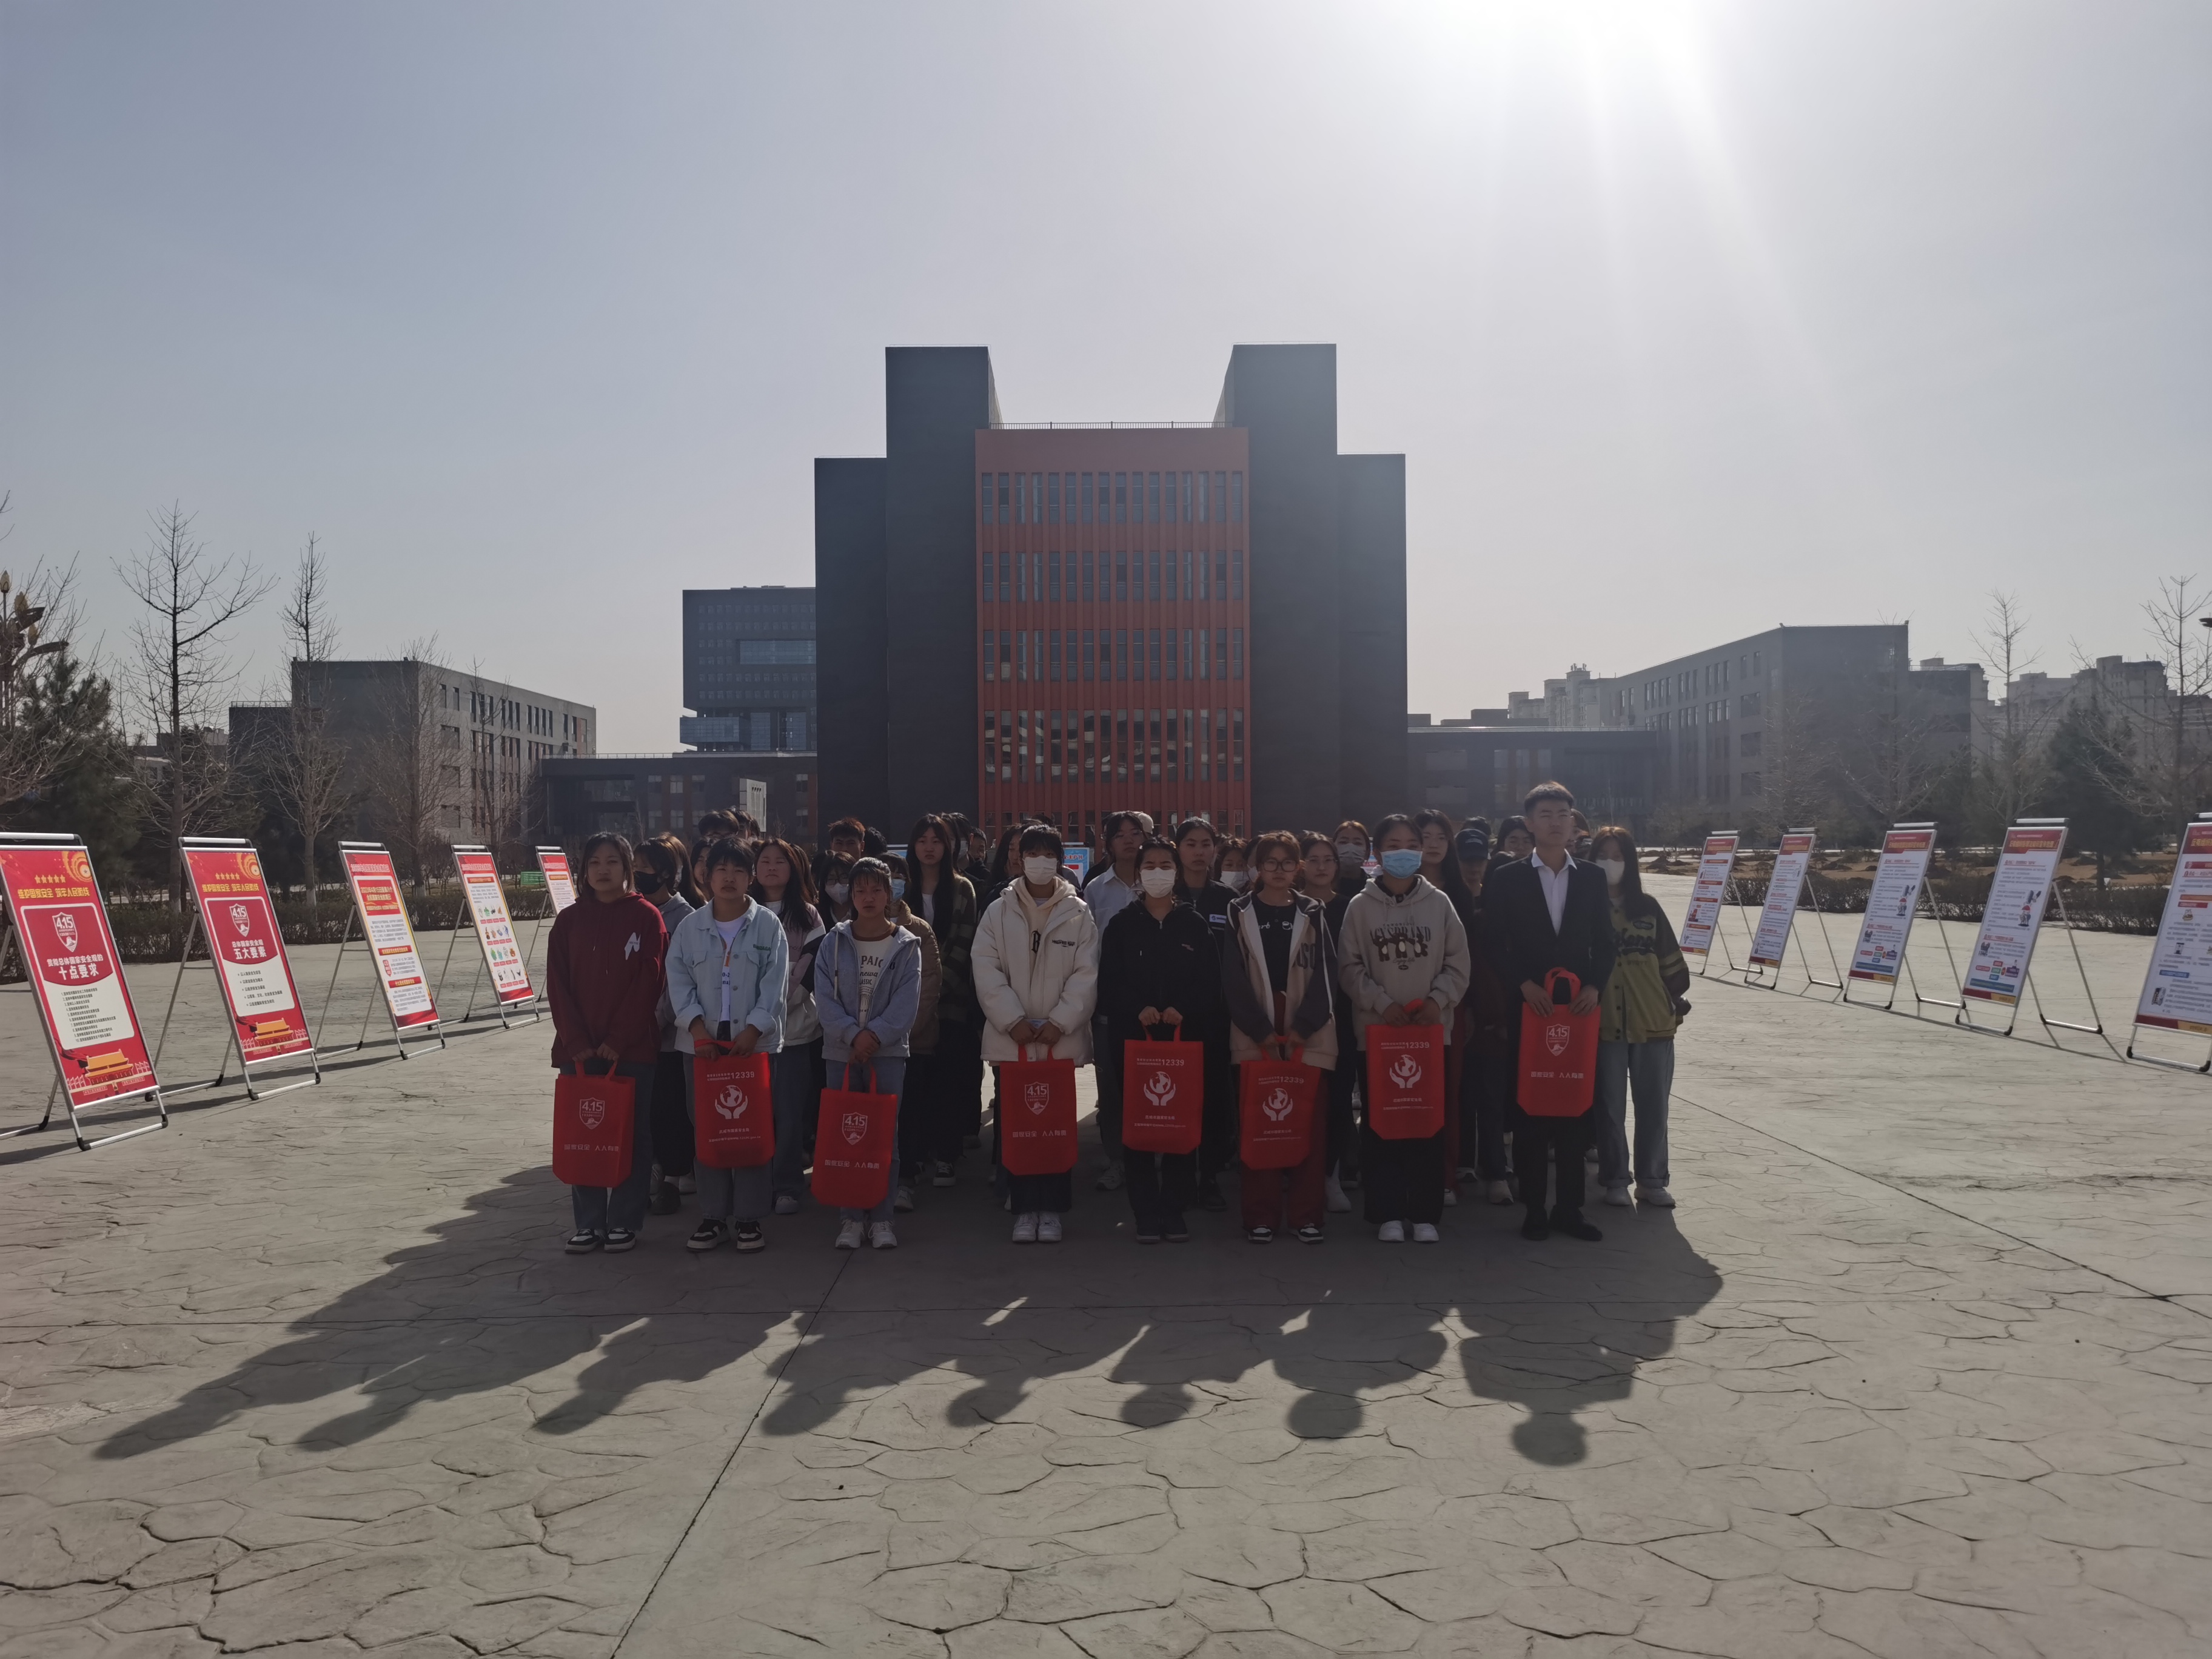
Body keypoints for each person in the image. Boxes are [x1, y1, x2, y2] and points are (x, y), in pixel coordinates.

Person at [1482, 782, 1618, 1243]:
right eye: (1546, 814)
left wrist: (1595, 986)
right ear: (1530, 823)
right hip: (1531, 1009)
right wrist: (1523, 985)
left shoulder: (1592, 878)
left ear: (1574, 823)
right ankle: (1536, 1209)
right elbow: (1493, 942)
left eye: (1563, 814)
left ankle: (1569, 1209)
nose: (1556, 822)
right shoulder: (1509, 878)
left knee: (1576, 1108)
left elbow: (1606, 942)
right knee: (1532, 1109)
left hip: (1578, 1011)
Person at [1338, 814, 1470, 1243]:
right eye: (1393, 845)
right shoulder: (1360, 907)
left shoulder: (1440, 903)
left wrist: (1437, 1001)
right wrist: (1382, 1004)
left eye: (1411, 844)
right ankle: (1388, 1212)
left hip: (1430, 1034)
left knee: (1427, 1123)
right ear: (1378, 854)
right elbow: (1349, 967)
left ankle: (1425, 1212)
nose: (1404, 852)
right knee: (1382, 1125)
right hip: (1378, 1035)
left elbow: (1458, 963)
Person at [971, 822, 1099, 1243]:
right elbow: (986, 968)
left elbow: (1086, 974)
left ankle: (1053, 1209)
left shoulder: (1078, 912)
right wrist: (1013, 1020)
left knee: (1056, 1128)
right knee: (1019, 1128)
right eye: (1032, 854)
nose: (1040, 862)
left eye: (1048, 854)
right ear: (1019, 859)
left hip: (1058, 1042)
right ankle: (1025, 1209)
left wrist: (1060, 1022)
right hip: (1014, 1041)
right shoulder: (998, 911)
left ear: (1060, 860)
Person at [663, 837, 790, 1253]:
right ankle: (714, 1216)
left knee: (751, 1129)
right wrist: (697, 1030)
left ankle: (750, 1217)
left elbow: (775, 984)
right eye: (721, 869)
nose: (729, 877)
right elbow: (678, 982)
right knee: (709, 1129)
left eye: (739, 870)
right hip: (702, 1048)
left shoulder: (768, 926)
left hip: (752, 1046)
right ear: (706, 875)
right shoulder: (690, 927)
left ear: (751, 877)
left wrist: (754, 1030)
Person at [546, 833, 668, 1255]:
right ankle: (589, 1223)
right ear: (583, 871)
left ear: (628, 868)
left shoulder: (647, 917)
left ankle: (624, 1221)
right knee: (583, 1135)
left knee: (631, 1136)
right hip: (578, 1051)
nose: (603, 869)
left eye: (613, 861)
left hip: (631, 1050)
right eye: (594, 862)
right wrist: (575, 1039)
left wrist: (619, 1039)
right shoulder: (568, 921)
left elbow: (650, 981)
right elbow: (557, 985)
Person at [1098, 837, 1219, 1243]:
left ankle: (1174, 1208)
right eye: (1149, 865)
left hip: (1185, 1039)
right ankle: (1146, 1211)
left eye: (1165, 865)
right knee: (1140, 1125)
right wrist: (1138, 1008)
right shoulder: (1122, 925)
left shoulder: (1194, 924)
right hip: (1135, 1041)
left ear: (1177, 872)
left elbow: (1210, 982)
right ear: (1139, 873)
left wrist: (1185, 1008)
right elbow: (1109, 982)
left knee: (1180, 1124)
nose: (1157, 872)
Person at [1224, 831, 1341, 1244]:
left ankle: (1307, 1215)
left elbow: (1327, 974)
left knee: (1308, 1128)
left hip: (1306, 1038)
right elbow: (1232, 977)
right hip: (1256, 1036)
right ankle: (1261, 1215)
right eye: (1270, 862)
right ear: (1258, 867)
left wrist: (1303, 1028)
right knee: (1260, 1128)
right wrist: (1260, 1031)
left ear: (1298, 868)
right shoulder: (1239, 910)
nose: (1278, 870)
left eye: (1287, 863)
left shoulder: (1313, 911)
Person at [811, 857, 923, 1250]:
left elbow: (907, 1004)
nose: (869, 897)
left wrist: (873, 1036)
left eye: (877, 889)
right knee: (844, 1137)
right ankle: (850, 1218)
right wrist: (850, 1035)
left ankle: (882, 1217)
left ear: (890, 893)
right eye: (861, 890)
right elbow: (824, 998)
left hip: (887, 1054)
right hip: (840, 1053)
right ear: (852, 896)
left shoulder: (907, 945)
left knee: (883, 1138)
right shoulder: (834, 941)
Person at [1590, 826, 1687, 1210]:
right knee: (1609, 1107)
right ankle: (1615, 1178)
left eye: (1618, 856)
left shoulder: (1649, 908)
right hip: (1603, 1024)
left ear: (1630, 862)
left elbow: (1673, 968)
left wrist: (1671, 1001)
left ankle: (1652, 1181)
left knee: (1653, 1106)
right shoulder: (1584, 906)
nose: (1610, 863)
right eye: (1602, 856)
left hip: (1653, 1022)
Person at [907, 814, 981, 1189]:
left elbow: (964, 944)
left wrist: (933, 993)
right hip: (907, 1005)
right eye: (922, 840)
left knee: (948, 1082)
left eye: (937, 840)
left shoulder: (962, 888)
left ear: (949, 846)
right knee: (915, 1084)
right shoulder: (902, 887)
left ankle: (947, 1157)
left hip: (950, 1003)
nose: (929, 847)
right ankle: (917, 1153)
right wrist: (914, 997)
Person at [752, 837, 826, 1215]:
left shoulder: (809, 916)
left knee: (790, 1113)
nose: (771, 867)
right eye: (764, 860)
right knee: (754, 1113)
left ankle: (787, 1184)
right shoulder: (741, 911)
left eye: (780, 861)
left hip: (793, 1032)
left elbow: (807, 972)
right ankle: (755, 1182)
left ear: (793, 869)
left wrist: (770, 1007)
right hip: (746, 1036)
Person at [1171, 817, 1240, 1211]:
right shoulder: (1166, 895)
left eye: (1206, 844)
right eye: (1191, 844)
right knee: (1177, 1099)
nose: (1199, 852)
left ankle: (1210, 1175)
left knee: (1214, 1100)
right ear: (1178, 849)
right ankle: (1180, 1176)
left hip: (1217, 1019)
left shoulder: (1228, 900)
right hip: (1173, 1019)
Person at [1082, 810, 1148, 1191]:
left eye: (1135, 833)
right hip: (1109, 1000)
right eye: (1120, 834)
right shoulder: (1095, 889)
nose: (1128, 840)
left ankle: (1153, 1152)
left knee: (1151, 1079)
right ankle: (1116, 1160)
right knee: (1111, 1085)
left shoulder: (1158, 880)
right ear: (1108, 843)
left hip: (1153, 1000)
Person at [635, 836, 697, 1218]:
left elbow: (681, 980)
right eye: (635, 867)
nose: (638, 874)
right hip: (634, 1036)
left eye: (645, 868)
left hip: (670, 1036)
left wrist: (654, 1023)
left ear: (666, 872)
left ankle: (673, 1180)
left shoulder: (686, 918)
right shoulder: (634, 912)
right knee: (644, 1113)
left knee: (672, 1112)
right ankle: (646, 1176)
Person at [883, 854, 943, 1216]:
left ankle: (905, 1180)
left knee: (908, 1115)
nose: (891, 882)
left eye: (898, 875)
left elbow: (930, 983)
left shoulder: (919, 929)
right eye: (884, 875)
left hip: (912, 1042)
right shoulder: (846, 930)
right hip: (864, 1044)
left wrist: (904, 1029)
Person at [1332, 820, 1372, 899]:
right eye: (1343, 842)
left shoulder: (1374, 889)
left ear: (1367, 853)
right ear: (1332, 849)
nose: (1350, 847)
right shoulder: (1321, 886)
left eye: (1357, 843)